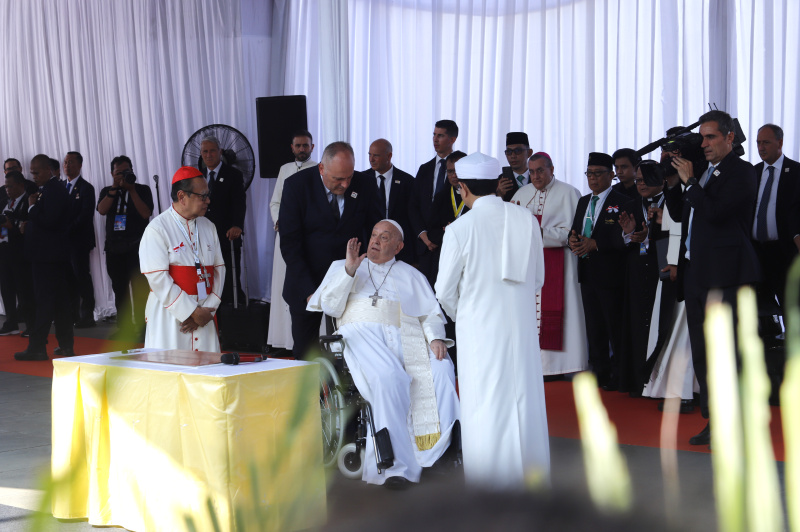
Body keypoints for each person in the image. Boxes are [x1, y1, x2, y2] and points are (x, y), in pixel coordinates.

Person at [308, 220, 460, 489]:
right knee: (390, 378)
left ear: (399, 246)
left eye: (385, 237)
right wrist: (349, 271)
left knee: (441, 369)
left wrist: (435, 337)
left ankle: (437, 453)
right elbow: (330, 307)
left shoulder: (412, 275)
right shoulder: (341, 266)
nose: (375, 240)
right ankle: (394, 466)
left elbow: (430, 313)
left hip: (406, 338)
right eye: (374, 235)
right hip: (361, 338)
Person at [436, 152, 549, 491]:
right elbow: (539, 279)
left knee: (484, 402)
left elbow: (443, 291)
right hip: (521, 328)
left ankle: (491, 491)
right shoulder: (525, 219)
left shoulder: (459, 228)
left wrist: (466, 315)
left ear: (463, 188)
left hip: (478, 330)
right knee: (524, 396)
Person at [664, 109, 760, 446]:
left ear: (730, 137)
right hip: (696, 274)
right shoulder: (703, 171)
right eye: (701, 137)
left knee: (727, 351)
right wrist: (675, 180)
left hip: (727, 276)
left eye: (711, 137)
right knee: (704, 353)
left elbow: (716, 213)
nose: (703, 144)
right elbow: (679, 213)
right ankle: (715, 420)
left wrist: (690, 182)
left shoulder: (743, 173)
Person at [279, 141, 381, 359]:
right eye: (338, 179)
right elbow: (290, 245)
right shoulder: (296, 186)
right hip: (307, 280)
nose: (345, 184)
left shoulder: (365, 184)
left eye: (349, 177)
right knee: (306, 352)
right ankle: (310, 394)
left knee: (352, 351)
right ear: (322, 169)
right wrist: (309, 292)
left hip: (352, 281)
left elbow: (374, 229)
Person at [511, 152, 588, 376]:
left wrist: (537, 231)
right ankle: (535, 365)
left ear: (551, 170)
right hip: (530, 265)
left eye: (540, 171)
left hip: (561, 265)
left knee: (567, 312)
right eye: (532, 171)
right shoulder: (521, 194)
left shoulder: (569, 193)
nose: (535, 176)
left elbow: (574, 232)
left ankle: (565, 365)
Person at [569, 152, 638, 391]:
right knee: (594, 327)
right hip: (587, 272)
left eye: (598, 173)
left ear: (611, 175)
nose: (593, 178)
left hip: (612, 274)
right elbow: (576, 229)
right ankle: (599, 373)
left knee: (614, 327)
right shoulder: (583, 201)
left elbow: (628, 239)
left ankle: (620, 375)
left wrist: (597, 244)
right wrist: (573, 241)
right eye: (589, 173)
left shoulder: (624, 200)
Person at [139, 167, 225, 351]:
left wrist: (207, 310)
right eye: (202, 196)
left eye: (207, 195)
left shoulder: (209, 226)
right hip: (171, 316)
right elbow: (158, 279)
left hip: (205, 312)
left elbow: (219, 270)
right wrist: (191, 312)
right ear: (182, 196)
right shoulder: (157, 229)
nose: (208, 201)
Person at [14, 154, 74, 361]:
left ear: (49, 170)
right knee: (59, 303)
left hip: (47, 257)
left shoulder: (54, 190)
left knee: (45, 302)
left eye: (37, 172)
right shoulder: (47, 189)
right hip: (49, 256)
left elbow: (50, 221)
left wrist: (32, 208)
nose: (34, 175)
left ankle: (37, 347)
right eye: (32, 172)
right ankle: (65, 346)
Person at [617, 161, 668, 396]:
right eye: (638, 180)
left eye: (646, 179)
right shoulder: (629, 205)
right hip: (637, 273)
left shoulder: (673, 201)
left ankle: (662, 383)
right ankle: (638, 382)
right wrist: (630, 234)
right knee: (637, 325)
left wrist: (650, 235)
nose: (641, 184)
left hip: (665, 272)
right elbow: (624, 243)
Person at [268, 130, 317, 353]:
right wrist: (281, 221)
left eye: (305, 146)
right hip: (287, 235)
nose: (301, 149)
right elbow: (275, 202)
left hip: (307, 237)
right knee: (283, 284)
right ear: (292, 147)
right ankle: (283, 340)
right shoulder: (284, 169)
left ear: (312, 147)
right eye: (298, 146)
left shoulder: (318, 169)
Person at [97, 156, 154, 339]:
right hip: (114, 248)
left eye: (126, 171)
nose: (123, 175)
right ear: (112, 173)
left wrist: (132, 190)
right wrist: (115, 188)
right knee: (119, 289)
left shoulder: (142, 189)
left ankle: (144, 328)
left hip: (137, 247)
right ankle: (125, 328)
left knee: (141, 290)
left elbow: (146, 213)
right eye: (119, 172)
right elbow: (102, 210)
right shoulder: (107, 191)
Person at [751, 123, 800, 328]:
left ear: (780, 143)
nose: (761, 147)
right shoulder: (752, 172)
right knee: (758, 309)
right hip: (755, 252)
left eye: (766, 143)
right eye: (759, 143)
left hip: (784, 252)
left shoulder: (796, 171)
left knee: (791, 307)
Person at [201, 136, 246, 305]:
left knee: (228, 280)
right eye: (205, 151)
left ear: (220, 152)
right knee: (206, 281)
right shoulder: (198, 176)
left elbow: (239, 203)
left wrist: (237, 225)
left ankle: (231, 319)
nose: (209, 155)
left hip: (227, 237)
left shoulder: (233, 175)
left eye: (212, 150)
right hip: (204, 239)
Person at [409, 120, 458, 277]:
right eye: (434, 135)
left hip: (452, 244)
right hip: (425, 245)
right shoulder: (425, 169)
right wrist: (423, 235)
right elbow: (413, 205)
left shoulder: (462, 166)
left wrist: (440, 236)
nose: (435, 140)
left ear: (452, 139)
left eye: (441, 135)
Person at [365, 138, 415, 264]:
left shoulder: (407, 181)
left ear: (389, 156)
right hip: (370, 248)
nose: (371, 159)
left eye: (376, 155)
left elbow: (412, 217)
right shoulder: (362, 180)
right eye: (369, 155)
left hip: (400, 250)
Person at [63, 151, 97, 328]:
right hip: (63, 243)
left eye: (71, 162)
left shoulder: (86, 188)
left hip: (79, 241)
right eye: (66, 162)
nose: (67, 165)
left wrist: (65, 230)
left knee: (81, 276)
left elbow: (85, 215)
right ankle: (72, 315)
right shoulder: (61, 187)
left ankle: (87, 316)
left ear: (80, 165)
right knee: (68, 279)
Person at [0, 171, 34, 336]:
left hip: (21, 254)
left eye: (10, 186)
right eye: (6, 186)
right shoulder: (4, 202)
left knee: (24, 290)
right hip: (4, 252)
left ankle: (31, 325)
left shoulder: (29, 202)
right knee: (6, 289)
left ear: (21, 185)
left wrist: (11, 225)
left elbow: (26, 227)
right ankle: (11, 322)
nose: (7, 190)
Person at [497, 132, 534, 202]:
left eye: (518, 151)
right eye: (509, 152)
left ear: (529, 153)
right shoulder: (498, 182)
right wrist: (499, 194)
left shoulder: (537, 178)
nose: (513, 156)